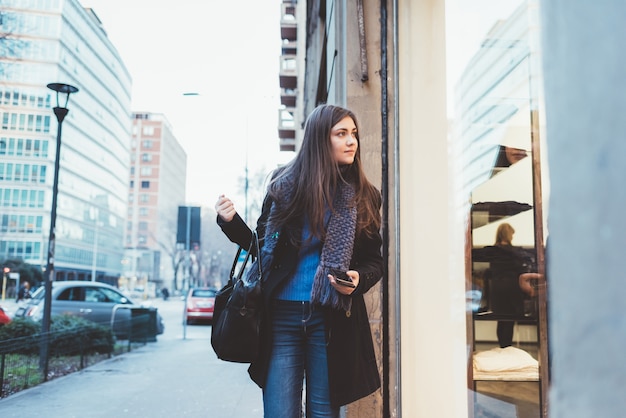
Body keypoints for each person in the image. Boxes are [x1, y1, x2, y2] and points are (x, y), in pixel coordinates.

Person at [215, 104, 383, 417]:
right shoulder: (284, 187)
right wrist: (231, 222)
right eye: (341, 134)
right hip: (281, 317)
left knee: (323, 412)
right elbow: (262, 248)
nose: (352, 142)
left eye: (354, 134)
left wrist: (358, 279)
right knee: (280, 411)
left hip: (331, 318)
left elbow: (375, 260)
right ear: (321, 139)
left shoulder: (364, 195)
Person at [474, 223, 534, 348]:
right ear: (508, 235)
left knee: (501, 320)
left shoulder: (492, 251)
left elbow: (487, 267)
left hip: (498, 289)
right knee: (509, 321)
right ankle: (507, 348)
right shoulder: (516, 252)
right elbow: (520, 269)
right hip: (512, 289)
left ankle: (503, 347)